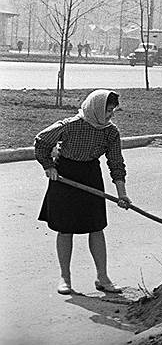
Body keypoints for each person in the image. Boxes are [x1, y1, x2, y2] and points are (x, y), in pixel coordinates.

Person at [34, 89, 131, 295]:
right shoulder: (69, 126)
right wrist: (48, 166)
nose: (110, 115)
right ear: (95, 108)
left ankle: (102, 278)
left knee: (96, 227)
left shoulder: (110, 132)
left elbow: (116, 163)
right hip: (64, 176)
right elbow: (41, 141)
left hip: (90, 176)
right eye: (107, 110)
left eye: (113, 111)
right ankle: (65, 278)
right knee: (65, 228)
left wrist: (122, 193)